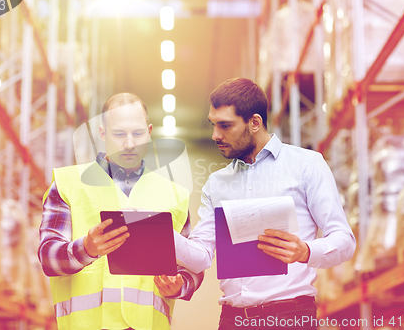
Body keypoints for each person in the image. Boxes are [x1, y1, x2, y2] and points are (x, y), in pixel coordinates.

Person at [174, 78, 356, 329]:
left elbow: (345, 241)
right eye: (214, 125)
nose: (216, 135)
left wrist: (305, 251)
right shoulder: (216, 183)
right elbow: (202, 256)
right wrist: (164, 236)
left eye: (226, 125)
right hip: (232, 320)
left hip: (290, 317)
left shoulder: (306, 165)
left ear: (255, 122)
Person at [39, 93, 203, 330]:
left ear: (149, 132)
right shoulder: (67, 184)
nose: (129, 143)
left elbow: (193, 265)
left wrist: (180, 285)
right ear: (103, 133)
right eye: (119, 134)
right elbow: (48, 258)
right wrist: (87, 248)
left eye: (137, 134)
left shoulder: (175, 196)